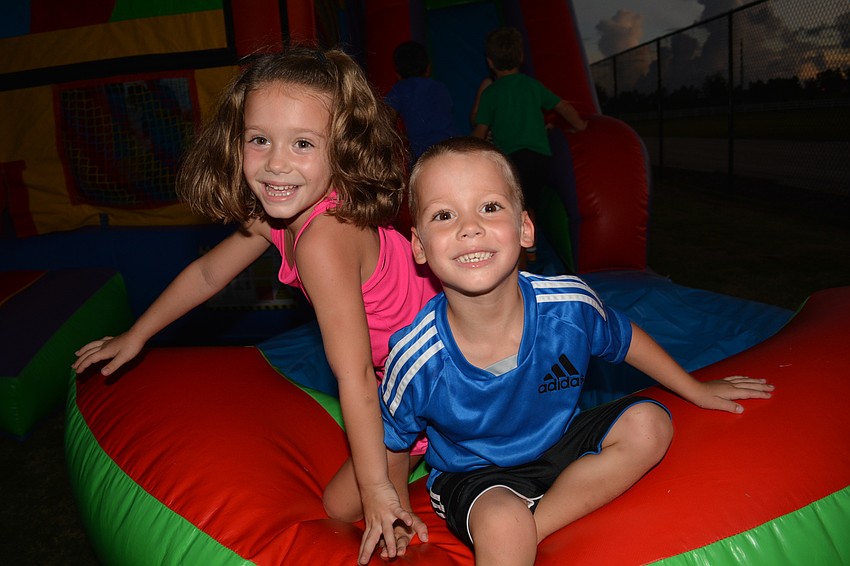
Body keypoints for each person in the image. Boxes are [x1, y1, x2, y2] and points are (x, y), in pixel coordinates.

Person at [71, 46, 439, 563]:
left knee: (348, 507)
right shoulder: (277, 217)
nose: (276, 163)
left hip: (435, 371)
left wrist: (379, 488)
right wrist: (137, 334)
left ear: (342, 150)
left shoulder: (323, 240)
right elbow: (207, 272)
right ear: (235, 140)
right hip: (397, 366)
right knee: (341, 505)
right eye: (259, 140)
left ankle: (410, 487)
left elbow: (353, 372)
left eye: (303, 143)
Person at [376, 137, 775, 565]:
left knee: (650, 424)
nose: (469, 227)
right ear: (418, 245)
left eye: (489, 207)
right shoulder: (418, 357)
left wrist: (694, 388)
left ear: (526, 227)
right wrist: (396, 512)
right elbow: (394, 444)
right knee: (503, 522)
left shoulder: (568, 305)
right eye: (444, 215)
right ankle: (516, 531)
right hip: (476, 473)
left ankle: (537, 526)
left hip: (558, 440)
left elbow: (626, 340)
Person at [472, 26, 588, 264]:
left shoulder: (491, 93)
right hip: (539, 158)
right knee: (530, 203)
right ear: (521, 58)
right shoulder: (532, 86)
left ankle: (521, 254)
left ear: (490, 62)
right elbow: (563, 106)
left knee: (513, 205)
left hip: (511, 161)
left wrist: (469, 156)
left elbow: (480, 132)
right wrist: (581, 127)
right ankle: (532, 248)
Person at [385, 40, 459, 163]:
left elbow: (386, 121)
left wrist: (400, 137)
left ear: (397, 74)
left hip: (422, 152)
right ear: (428, 68)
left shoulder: (400, 89)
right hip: (451, 144)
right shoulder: (439, 87)